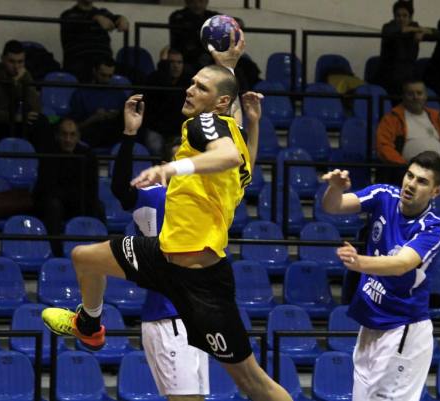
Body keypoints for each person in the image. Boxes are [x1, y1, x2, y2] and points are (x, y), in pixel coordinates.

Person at [42, 31, 293, 401]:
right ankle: (89, 325)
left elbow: (227, 154)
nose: (189, 89)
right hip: (162, 255)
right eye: (191, 83)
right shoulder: (231, 137)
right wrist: (244, 105)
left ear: (220, 103)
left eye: (200, 87)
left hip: (201, 281)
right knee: (84, 257)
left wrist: (171, 168)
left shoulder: (202, 125)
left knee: (253, 383)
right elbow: (242, 159)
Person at [322, 151, 440, 401]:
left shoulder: (433, 228)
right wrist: (335, 188)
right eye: (410, 176)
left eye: (422, 181)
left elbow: (402, 264)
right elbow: (332, 206)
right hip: (370, 324)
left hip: (402, 329)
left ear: (436, 191)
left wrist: (359, 262)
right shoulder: (384, 195)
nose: (411, 184)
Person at [112, 122, 209, 401]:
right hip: (168, 317)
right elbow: (121, 189)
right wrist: (129, 135)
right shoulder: (154, 195)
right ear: (165, 167)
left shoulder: (204, 200)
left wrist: (251, 123)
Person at [33, 117, 104, 256]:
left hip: (77, 201)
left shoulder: (88, 155)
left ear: (78, 137)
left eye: (72, 135)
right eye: (64, 134)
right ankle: (57, 254)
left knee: (98, 207)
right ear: (58, 136)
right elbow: (46, 188)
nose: (68, 139)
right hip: (55, 201)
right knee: (53, 206)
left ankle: (101, 252)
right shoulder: (48, 154)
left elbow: (91, 187)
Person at [376, 79, 440, 185]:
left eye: (419, 93)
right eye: (410, 94)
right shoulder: (392, 118)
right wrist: (406, 166)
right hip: (406, 170)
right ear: (403, 96)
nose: (415, 97)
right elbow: (383, 147)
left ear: (425, 96)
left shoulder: (435, 117)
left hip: (438, 171)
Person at [60, 0, 129, 83]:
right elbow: (75, 20)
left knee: (135, 75)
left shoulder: (102, 12)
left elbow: (116, 18)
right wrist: (96, 18)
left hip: (105, 61)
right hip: (81, 61)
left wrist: (122, 19)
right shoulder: (68, 14)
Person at [142, 47, 193, 156]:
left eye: (179, 62)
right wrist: (163, 67)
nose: (176, 66)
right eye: (171, 62)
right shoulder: (154, 79)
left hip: (178, 129)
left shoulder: (188, 81)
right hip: (156, 128)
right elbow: (164, 96)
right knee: (155, 148)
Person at [376, 1, 434, 97]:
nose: (401, 18)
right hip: (388, 75)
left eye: (404, 15)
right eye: (398, 15)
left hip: (408, 76)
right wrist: (417, 30)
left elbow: (436, 32)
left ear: (410, 17)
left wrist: (423, 32)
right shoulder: (388, 27)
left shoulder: (414, 28)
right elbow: (399, 30)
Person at [69, 56, 126, 149]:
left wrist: (118, 115)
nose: (106, 80)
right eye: (103, 75)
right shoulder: (81, 94)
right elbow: (73, 127)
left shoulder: (118, 93)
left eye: (110, 76)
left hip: (114, 134)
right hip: (90, 135)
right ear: (94, 71)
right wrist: (93, 118)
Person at [168, 0, 218, 69]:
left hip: (208, 62)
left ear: (206, 2)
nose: (197, 5)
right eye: (193, 1)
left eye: (201, 1)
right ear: (187, 2)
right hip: (185, 62)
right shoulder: (178, 17)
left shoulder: (212, 16)